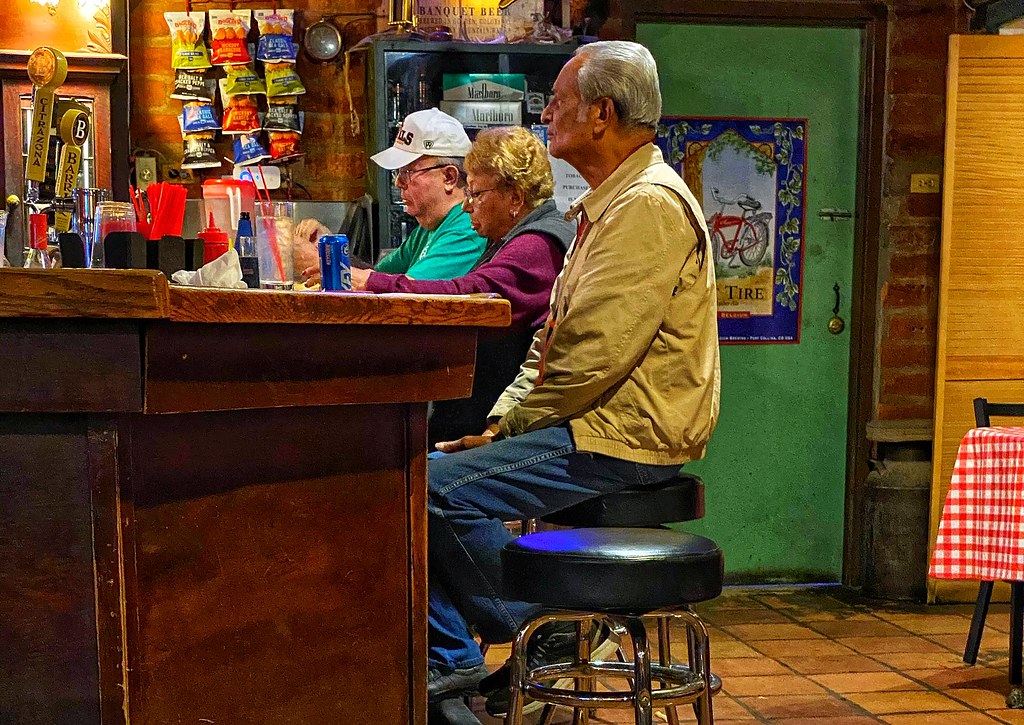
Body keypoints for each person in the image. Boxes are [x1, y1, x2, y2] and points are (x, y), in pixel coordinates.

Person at [424, 40, 721, 713]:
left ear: (602, 114)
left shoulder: (645, 204)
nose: (547, 111)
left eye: (559, 99)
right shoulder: (606, 206)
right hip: (594, 423)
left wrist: (511, 426)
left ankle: (540, 629)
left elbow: (590, 352)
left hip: (621, 434)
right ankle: (481, 646)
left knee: (428, 487)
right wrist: (502, 424)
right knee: (426, 472)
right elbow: (552, 343)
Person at [349, 126, 575, 446]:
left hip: (499, 429)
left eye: (476, 194)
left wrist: (372, 281)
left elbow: (466, 296)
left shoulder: (537, 245)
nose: (466, 206)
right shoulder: (513, 237)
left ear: (515, 197)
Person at [295, 108, 487, 281]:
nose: (398, 182)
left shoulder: (466, 231)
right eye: (398, 172)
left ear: (449, 177)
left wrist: (318, 262)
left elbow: (405, 297)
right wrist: (329, 248)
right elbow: (379, 277)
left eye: (407, 172)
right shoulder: (432, 225)